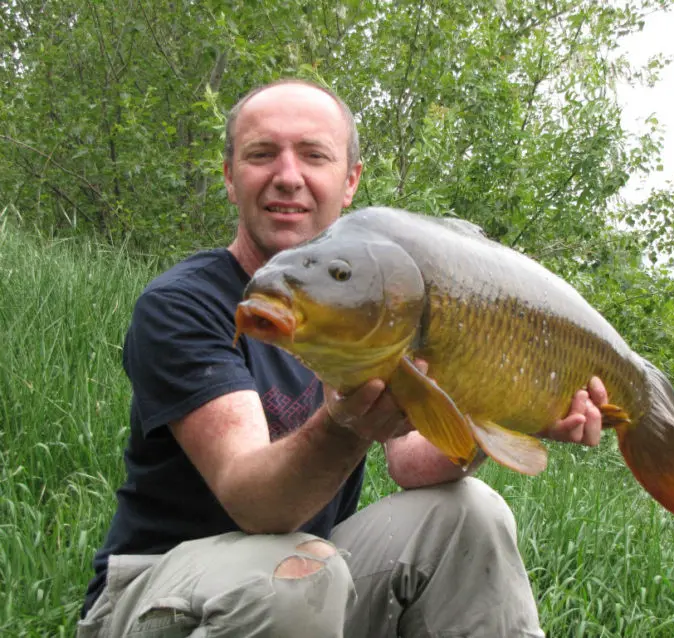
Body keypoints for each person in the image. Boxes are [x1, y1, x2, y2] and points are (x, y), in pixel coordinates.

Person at [76, 78, 609, 638]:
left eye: (313, 155)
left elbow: (412, 462)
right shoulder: (183, 304)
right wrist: (344, 425)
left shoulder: (372, 302)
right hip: (158, 595)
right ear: (230, 177)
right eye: (261, 154)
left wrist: (508, 412)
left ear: (349, 180)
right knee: (298, 575)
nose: (288, 176)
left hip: (309, 583)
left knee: (470, 514)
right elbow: (256, 504)